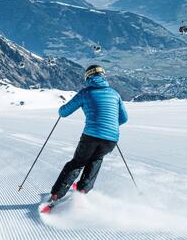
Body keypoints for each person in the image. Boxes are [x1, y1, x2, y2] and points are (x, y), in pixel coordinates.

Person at [48, 64, 128, 202]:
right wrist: (109, 126)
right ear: (103, 76)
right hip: (111, 138)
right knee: (96, 160)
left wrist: (60, 110)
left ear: (88, 77)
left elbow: (64, 112)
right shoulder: (115, 94)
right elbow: (124, 118)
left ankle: (57, 194)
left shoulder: (85, 93)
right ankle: (83, 189)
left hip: (91, 135)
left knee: (78, 163)